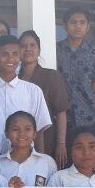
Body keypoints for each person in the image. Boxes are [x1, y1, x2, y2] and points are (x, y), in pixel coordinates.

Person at [0, 34, 51, 155]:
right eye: (4, 54)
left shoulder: (33, 91)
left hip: (25, 159)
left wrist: (41, 160)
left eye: (15, 54)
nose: (10, 59)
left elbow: (39, 131)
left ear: (20, 56)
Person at [17, 30, 70, 169]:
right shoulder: (14, 79)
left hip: (47, 139)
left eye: (32, 45)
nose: (28, 49)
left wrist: (61, 144)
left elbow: (61, 112)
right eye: (23, 46)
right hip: (18, 138)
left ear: (39, 50)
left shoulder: (51, 76)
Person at [57, 6, 95, 148]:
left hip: (90, 117)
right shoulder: (56, 50)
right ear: (65, 26)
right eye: (73, 22)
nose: (78, 26)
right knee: (65, 164)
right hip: (63, 118)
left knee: (89, 162)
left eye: (82, 22)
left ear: (88, 26)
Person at [0, 111, 57, 186]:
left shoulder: (47, 163)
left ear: (35, 134)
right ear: (6, 134)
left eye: (27, 129)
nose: (22, 133)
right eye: (15, 129)